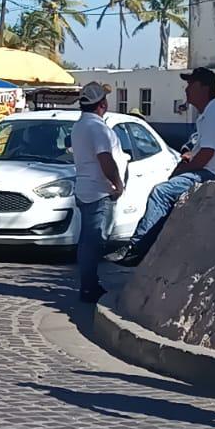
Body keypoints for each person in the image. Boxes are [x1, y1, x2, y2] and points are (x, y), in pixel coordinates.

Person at [115, 66, 215, 266]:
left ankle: (137, 248)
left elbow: (207, 154)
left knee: (162, 192)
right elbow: (201, 149)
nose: (186, 89)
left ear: (204, 87)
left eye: (191, 84)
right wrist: (188, 158)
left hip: (214, 175)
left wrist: (184, 169)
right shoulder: (210, 114)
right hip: (210, 170)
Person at [71, 81, 126, 304]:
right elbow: (105, 158)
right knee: (93, 242)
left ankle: (89, 284)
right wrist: (118, 184)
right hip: (99, 191)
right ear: (101, 104)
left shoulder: (80, 126)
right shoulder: (97, 128)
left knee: (88, 241)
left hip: (86, 189)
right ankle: (89, 287)